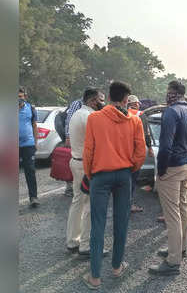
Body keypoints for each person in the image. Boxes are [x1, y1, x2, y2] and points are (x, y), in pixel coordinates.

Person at [82, 81, 146, 289]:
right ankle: (117, 267)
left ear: (109, 97)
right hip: (124, 175)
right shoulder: (134, 121)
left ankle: (95, 277)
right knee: (121, 222)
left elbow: (88, 151)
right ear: (126, 100)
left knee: (98, 225)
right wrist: (131, 169)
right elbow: (141, 152)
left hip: (100, 176)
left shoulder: (94, 118)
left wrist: (90, 174)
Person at [148, 81, 187, 276]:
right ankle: (180, 248)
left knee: (172, 214)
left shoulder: (171, 112)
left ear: (173, 93)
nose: (166, 95)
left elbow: (165, 146)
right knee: (184, 208)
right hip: (186, 165)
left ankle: (173, 261)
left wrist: (161, 170)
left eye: (168, 92)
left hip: (171, 167)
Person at [65, 88, 106, 256]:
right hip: (87, 165)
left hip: (75, 161)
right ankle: (86, 245)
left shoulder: (76, 114)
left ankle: (72, 241)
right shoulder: (91, 117)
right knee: (90, 205)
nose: (103, 103)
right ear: (93, 100)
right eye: (101, 100)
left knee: (77, 202)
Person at [127, 95, 155, 213]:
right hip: (136, 152)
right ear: (137, 104)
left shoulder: (122, 113)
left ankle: (123, 202)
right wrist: (149, 147)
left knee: (125, 179)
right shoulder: (140, 115)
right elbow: (146, 134)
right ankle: (129, 204)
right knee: (132, 179)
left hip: (123, 152)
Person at [18, 87, 39, 207]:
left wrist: (36, 142)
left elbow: (34, 126)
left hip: (28, 145)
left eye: (20, 96)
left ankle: (33, 197)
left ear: (25, 97)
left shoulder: (30, 108)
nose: (18, 99)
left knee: (30, 171)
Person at [63, 97, 83, 197]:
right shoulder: (77, 103)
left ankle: (81, 187)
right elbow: (69, 120)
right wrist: (67, 136)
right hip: (74, 138)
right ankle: (69, 188)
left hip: (83, 138)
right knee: (73, 160)